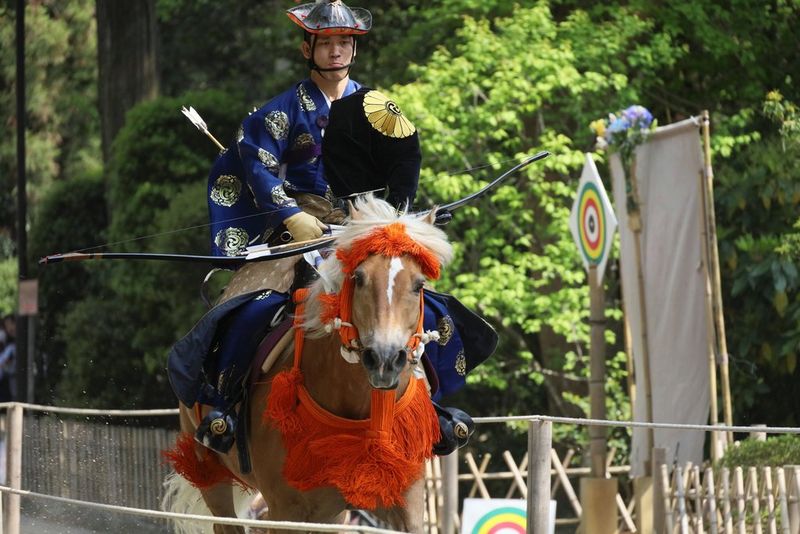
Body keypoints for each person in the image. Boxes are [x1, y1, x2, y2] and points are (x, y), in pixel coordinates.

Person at [0, 315, 16, 403]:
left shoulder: (12, 345)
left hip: (15, 374)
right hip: (9, 375)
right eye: (6, 325)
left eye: (9, 324)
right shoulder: (9, 342)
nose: (8, 328)